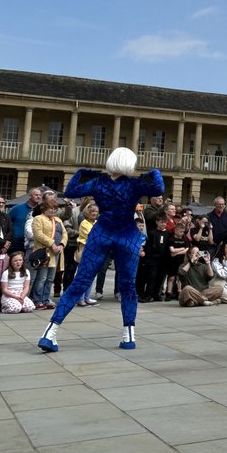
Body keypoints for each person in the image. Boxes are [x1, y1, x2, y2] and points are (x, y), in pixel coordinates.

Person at [37, 147, 164, 353]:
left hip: (102, 233)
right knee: (128, 286)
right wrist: (154, 172)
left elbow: (70, 191)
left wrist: (82, 173)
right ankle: (128, 335)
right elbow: (158, 188)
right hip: (128, 236)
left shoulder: (98, 182)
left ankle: (50, 333)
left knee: (80, 282)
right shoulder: (134, 184)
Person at [29, 192, 65, 310]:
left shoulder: (58, 220)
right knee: (41, 278)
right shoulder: (38, 219)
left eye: (55, 209)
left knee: (50, 278)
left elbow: (64, 234)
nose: (53, 211)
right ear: (44, 209)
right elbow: (38, 234)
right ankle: (37, 299)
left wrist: (61, 245)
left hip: (56, 253)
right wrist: (51, 243)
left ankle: (46, 298)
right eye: (51, 209)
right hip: (43, 252)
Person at [74, 202, 100, 307]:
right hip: (86, 250)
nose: (94, 213)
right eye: (92, 211)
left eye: (96, 211)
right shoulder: (84, 223)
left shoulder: (97, 223)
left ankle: (86, 297)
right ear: (87, 212)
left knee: (91, 276)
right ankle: (80, 298)